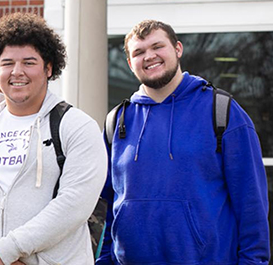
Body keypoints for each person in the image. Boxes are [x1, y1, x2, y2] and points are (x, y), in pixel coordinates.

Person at [97, 20, 269, 264]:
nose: (149, 56)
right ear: (130, 63)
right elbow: (105, 206)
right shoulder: (117, 121)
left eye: (158, 46)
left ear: (178, 49)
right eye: (139, 52)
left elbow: (251, 204)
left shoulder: (222, 112)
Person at [0, 13, 106, 264]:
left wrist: (8, 250)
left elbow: (74, 204)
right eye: (7, 63)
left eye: (29, 62)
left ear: (48, 68)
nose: (17, 72)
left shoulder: (77, 126)